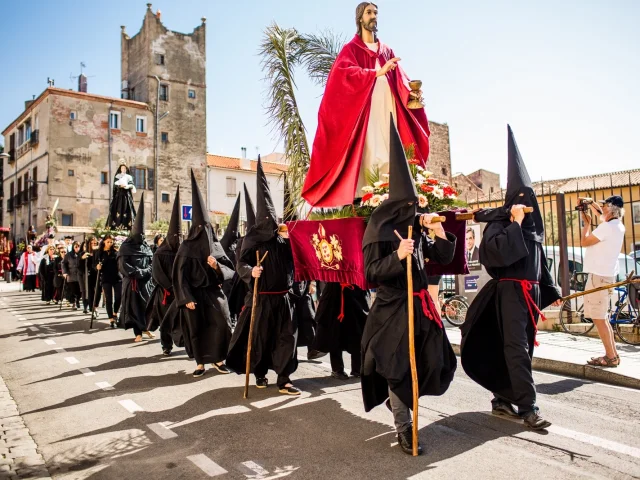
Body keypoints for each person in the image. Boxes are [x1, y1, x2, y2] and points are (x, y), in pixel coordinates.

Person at [361, 118, 457, 455]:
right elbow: (371, 272)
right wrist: (398, 256)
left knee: (435, 359)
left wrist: (437, 230)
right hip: (390, 309)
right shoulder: (378, 231)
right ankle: (404, 426)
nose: (415, 212)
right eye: (410, 208)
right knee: (398, 367)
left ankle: (402, 404)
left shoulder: (416, 228)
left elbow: (443, 256)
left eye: (417, 208)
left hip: (420, 307)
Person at [460, 126, 562, 431]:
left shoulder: (533, 229)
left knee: (521, 348)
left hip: (529, 296)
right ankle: (528, 408)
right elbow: (497, 255)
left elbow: (540, 264)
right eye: (520, 199)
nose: (525, 202)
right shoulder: (501, 224)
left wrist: (550, 289)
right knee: (516, 348)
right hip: (508, 293)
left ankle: (502, 400)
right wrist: (514, 223)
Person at [302, 2, 430, 207]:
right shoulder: (351, 49)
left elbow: (401, 79)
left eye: (376, 13)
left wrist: (412, 92)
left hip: (388, 108)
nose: (373, 16)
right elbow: (342, 75)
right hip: (367, 112)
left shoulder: (387, 50)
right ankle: (368, 198)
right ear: (360, 18)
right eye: (369, 12)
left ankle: (391, 192)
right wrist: (375, 73)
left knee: (391, 148)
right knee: (370, 150)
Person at [227, 157, 300, 395]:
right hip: (262, 298)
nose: (271, 225)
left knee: (286, 338)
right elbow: (241, 264)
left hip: (284, 299)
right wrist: (251, 271)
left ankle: (284, 378)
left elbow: (296, 261)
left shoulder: (282, 239)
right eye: (266, 221)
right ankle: (260, 373)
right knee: (261, 339)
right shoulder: (252, 240)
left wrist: (292, 241)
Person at [173, 172, 234, 377]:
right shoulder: (185, 248)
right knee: (197, 328)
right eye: (201, 228)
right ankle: (200, 363)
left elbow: (230, 269)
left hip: (213, 292)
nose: (205, 232)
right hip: (193, 295)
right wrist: (186, 298)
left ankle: (218, 359)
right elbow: (180, 276)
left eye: (207, 228)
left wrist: (216, 267)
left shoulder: (216, 247)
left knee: (222, 322)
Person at [581, 196, 626, 367]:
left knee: (599, 318)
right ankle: (613, 355)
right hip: (606, 276)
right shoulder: (618, 226)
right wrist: (592, 203)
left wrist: (586, 224)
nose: (602, 209)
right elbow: (602, 214)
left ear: (611, 209)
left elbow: (584, 242)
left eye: (604, 206)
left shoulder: (606, 227)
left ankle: (610, 357)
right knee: (603, 317)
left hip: (598, 277)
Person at [146, 186, 182, 356]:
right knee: (165, 320)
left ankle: (182, 341)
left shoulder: (182, 252)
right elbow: (157, 273)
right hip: (165, 293)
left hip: (180, 292)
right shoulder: (160, 253)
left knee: (180, 319)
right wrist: (171, 286)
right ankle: (166, 345)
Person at [312, 282, 369, 379]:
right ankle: (339, 369)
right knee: (335, 332)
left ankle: (356, 368)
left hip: (354, 291)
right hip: (336, 294)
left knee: (357, 330)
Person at [118, 193, 154, 342]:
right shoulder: (125, 247)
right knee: (134, 308)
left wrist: (146, 272)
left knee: (147, 306)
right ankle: (137, 332)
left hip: (146, 282)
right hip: (132, 283)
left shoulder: (146, 247)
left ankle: (146, 327)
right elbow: (123, 266)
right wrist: (137, 273)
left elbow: (152, 263)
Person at [96, 234, 122, 327]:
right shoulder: (99, 253)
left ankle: (115, 313)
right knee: (109, 299)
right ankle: (111, 319)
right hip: (106, 278)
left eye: (111, 242)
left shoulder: (115, 252)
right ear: (104, 242)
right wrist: (97, 267)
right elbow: (94, 265)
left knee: (119, 297)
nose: (110, 243)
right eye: (108, 242)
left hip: (117, 277)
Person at [106, 160, 137, 230]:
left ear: (126, 169)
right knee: (117, 209)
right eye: (122, 168)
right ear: (120, 169)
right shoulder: (118, 176)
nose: (123, 169)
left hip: (126, 196)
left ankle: (128, 226)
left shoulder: (129, 177)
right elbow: (115, 185)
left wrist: (128, 186)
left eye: (124, 168)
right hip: (119, 196)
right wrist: (120, 186)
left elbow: (131, 184)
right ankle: (116, 225)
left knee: (127, 209)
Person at [62, 241, 82, 310]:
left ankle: (77, 300)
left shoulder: (81, 254)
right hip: (71, 275)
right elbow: (63, 263)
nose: (77, 248)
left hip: (80, 275)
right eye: (75, 247)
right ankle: (74, 303)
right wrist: (65, 272)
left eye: (78, 247)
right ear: (73, 247)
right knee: (73, 290)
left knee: (79, 291)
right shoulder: (69, 255)